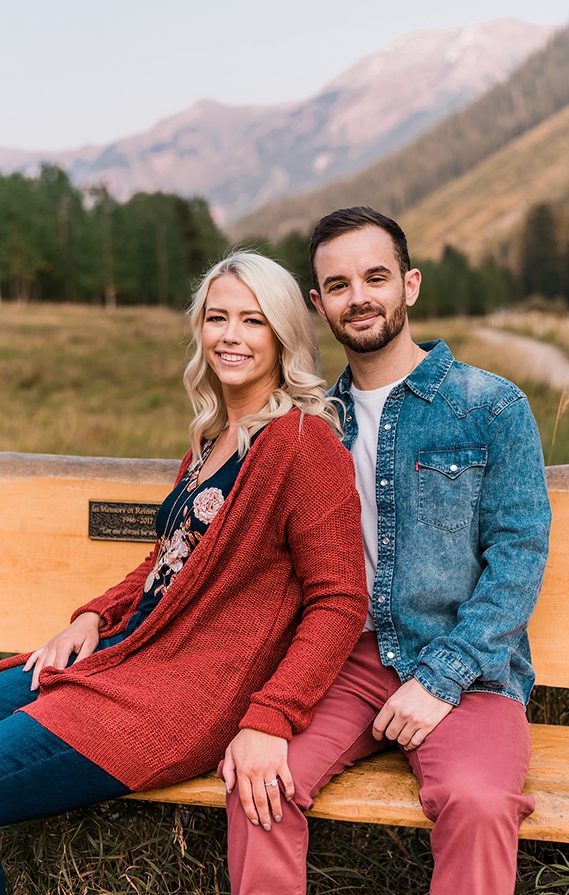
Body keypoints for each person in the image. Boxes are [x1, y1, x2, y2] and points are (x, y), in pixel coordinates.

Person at [0, 252, 368, 894]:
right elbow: (165, 559)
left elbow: (338, 602)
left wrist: (271, 716)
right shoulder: (210, 438)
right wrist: (93, 615)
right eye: (217, 318)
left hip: (179, 699)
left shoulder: (307, 446)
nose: (231, 335)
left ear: (283, 336)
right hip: (125, 656)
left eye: (253, 321)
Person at [224, 206, 552, 895]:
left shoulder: (489, 405)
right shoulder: (310, 425)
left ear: (410, 285)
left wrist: (443, 676)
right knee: (258, 783)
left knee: (479, 801)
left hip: (468, 664)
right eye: (338, 285)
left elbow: (518, 555)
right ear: (318, 306)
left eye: (376, 276)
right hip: (339, 662)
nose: (359, 296)